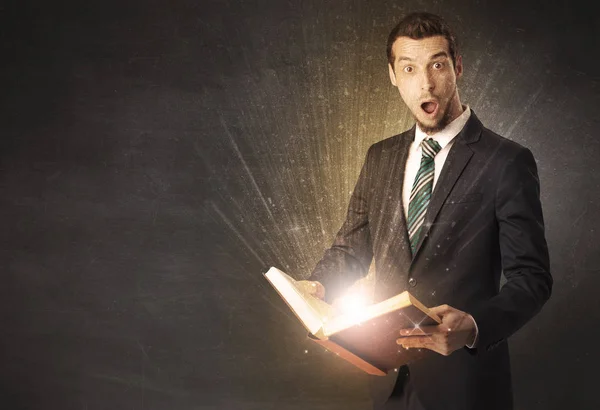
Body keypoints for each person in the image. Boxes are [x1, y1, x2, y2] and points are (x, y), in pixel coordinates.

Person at [297, 12, 553, 410]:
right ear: (393, 76)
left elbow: (532, 279)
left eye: (437, 64)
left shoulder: (507, 162)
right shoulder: (379, 157)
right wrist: (316, 287)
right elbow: (351, 249)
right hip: (387, 379)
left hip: (467, 385)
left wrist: (473, 327)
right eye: (410, 68)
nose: (427, 82)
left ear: (458, 67)